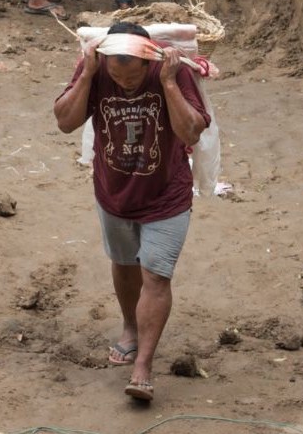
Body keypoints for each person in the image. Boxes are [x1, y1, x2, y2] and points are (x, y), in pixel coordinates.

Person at [53, 27, 210, 405]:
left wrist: (170, 84)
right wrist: (88, 74)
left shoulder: (170, 70)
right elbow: (64, 121)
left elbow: (192, 130)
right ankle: (130, 328)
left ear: (148, 61)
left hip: (166, 194)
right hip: (114, 191)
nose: (123, 84)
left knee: (155, 275)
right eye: (116, 76)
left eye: (132, 76)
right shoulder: (95, 68)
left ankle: (142, 366)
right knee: (124, 264)